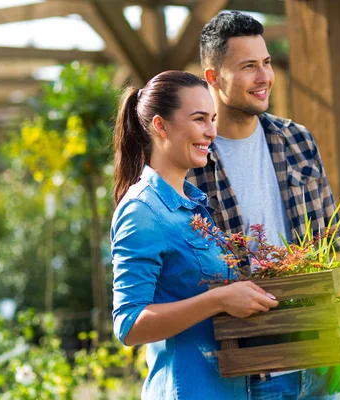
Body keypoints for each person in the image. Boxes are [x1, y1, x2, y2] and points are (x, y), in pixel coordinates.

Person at [186, 11, 340, 400]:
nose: (264, 78)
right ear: (212, 78)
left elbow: (333, 240)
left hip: (318, 359)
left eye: (267, 63)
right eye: (248, 67)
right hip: (248, 374)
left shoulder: (297, 140)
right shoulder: (192, 158)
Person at [111, 70, 279, 399]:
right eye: (199, 119)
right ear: (161, 126)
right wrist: (218, 300)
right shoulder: (142, 211)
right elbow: (129, 324)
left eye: (213, 119)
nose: (211, 132)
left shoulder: (194, 206)